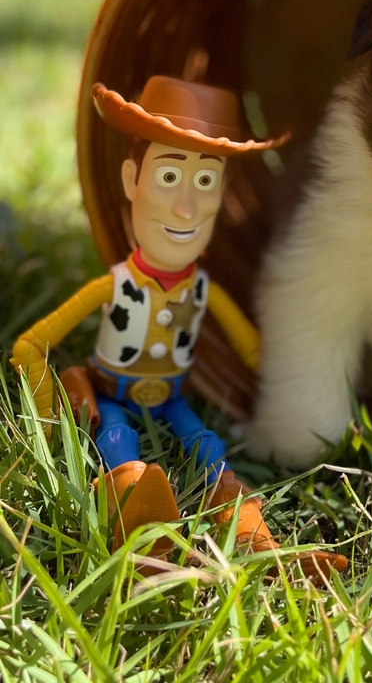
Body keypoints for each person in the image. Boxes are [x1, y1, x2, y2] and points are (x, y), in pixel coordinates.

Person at [11, 75, 347, 577]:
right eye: (169, 177)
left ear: (224, 194)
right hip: (114, 389)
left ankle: (260, 542)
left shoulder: (200, 290)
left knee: (208, 446)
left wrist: (281, 377)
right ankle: (139, 532)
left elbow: (253, 351)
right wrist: (48, 416)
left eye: (206, 181)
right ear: (132, 181)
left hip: (171, 394)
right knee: (119, 439)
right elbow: (31, 344)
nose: (186, 206)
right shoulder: (117, 284)